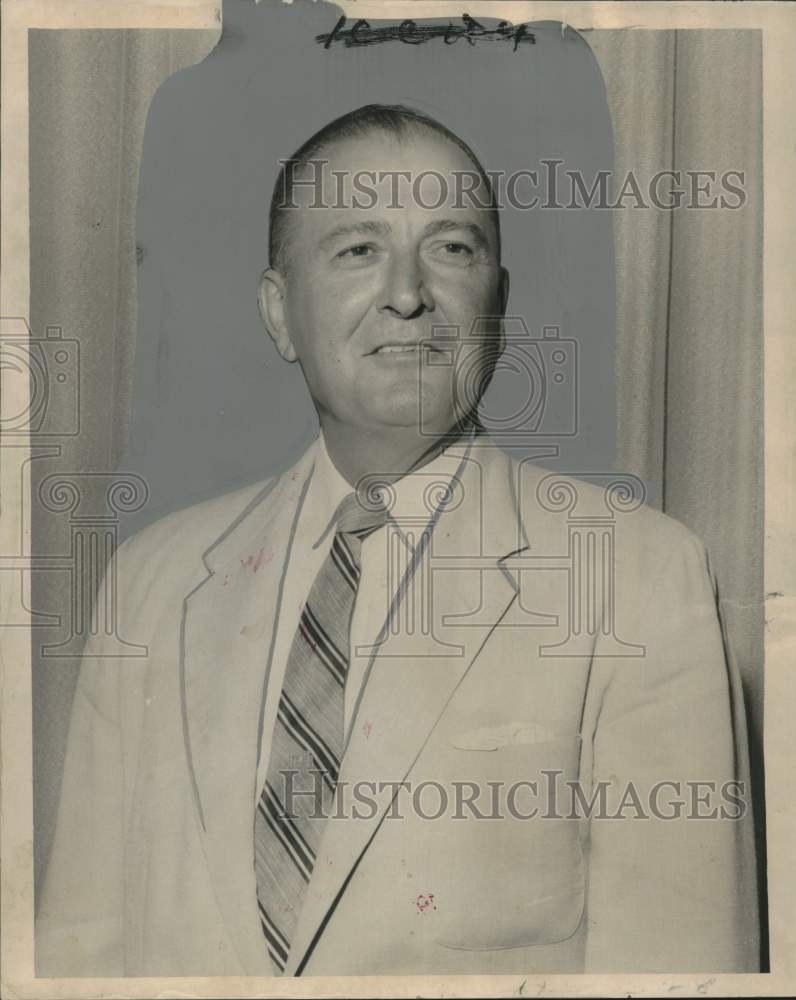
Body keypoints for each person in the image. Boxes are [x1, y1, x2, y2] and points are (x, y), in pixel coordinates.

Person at [36, 104, 759, 977]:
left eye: (452, 247)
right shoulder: (148, 584)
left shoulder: (643, 578)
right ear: (279, 314)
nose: (408, 293)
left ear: (497, 299)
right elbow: (80, 962)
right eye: (356, 249)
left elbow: (682, 974)